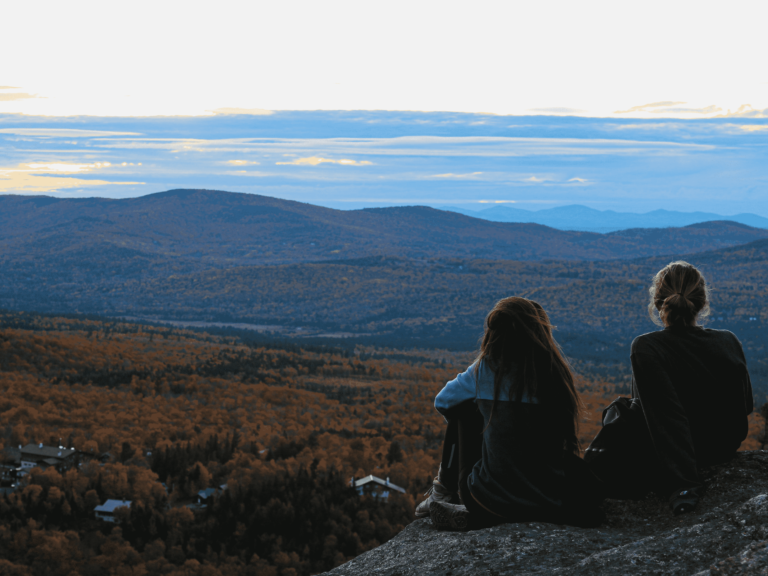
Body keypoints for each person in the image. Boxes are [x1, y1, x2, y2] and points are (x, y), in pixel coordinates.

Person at [415, 296, 604, 531]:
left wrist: (484, 426)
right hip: (546, 501)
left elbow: (444, 401)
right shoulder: (554, 374)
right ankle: (507, 510)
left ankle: (443, 493)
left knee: (462, 409)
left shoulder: (486, 369)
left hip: (486, 500)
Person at [626, 261, 753, 514]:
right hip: (723, 449)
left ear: (658, 302)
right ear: (702, 302)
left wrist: (684, 485)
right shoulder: (729, 341)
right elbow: (746, 406)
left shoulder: (647, 347)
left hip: (678, 461)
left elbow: (666, 418)